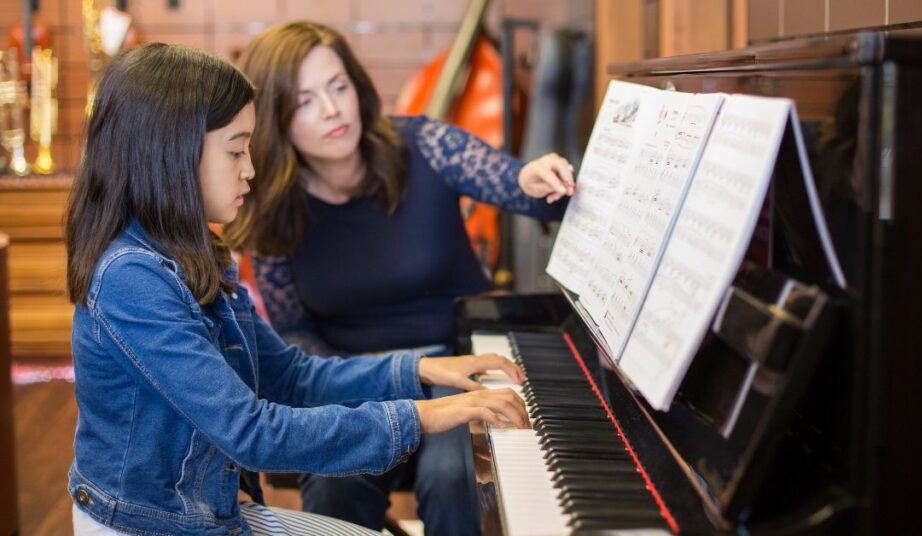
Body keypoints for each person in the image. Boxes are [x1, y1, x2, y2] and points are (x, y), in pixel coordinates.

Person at [65, 42, 530, 536]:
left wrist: (421, 369)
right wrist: (425, 414)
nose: (250, 169)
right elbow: (252, 432)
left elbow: (289, 376)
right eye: (236, 150)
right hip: (150, 526)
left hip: (205, 513)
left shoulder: (194, 251)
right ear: (174, 155)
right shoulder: (131, 278)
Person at [224, 21, 575, 536]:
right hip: (356, 384)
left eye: (338, 86)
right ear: (274, 119)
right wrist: (366, 395)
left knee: (451, 475)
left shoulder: (427, 144)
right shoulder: (274, 211)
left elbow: (514, 183)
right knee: (332, 482)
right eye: (304, 101)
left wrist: (531, 177)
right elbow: (296, 334)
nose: (331, 109)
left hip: (459, 366)